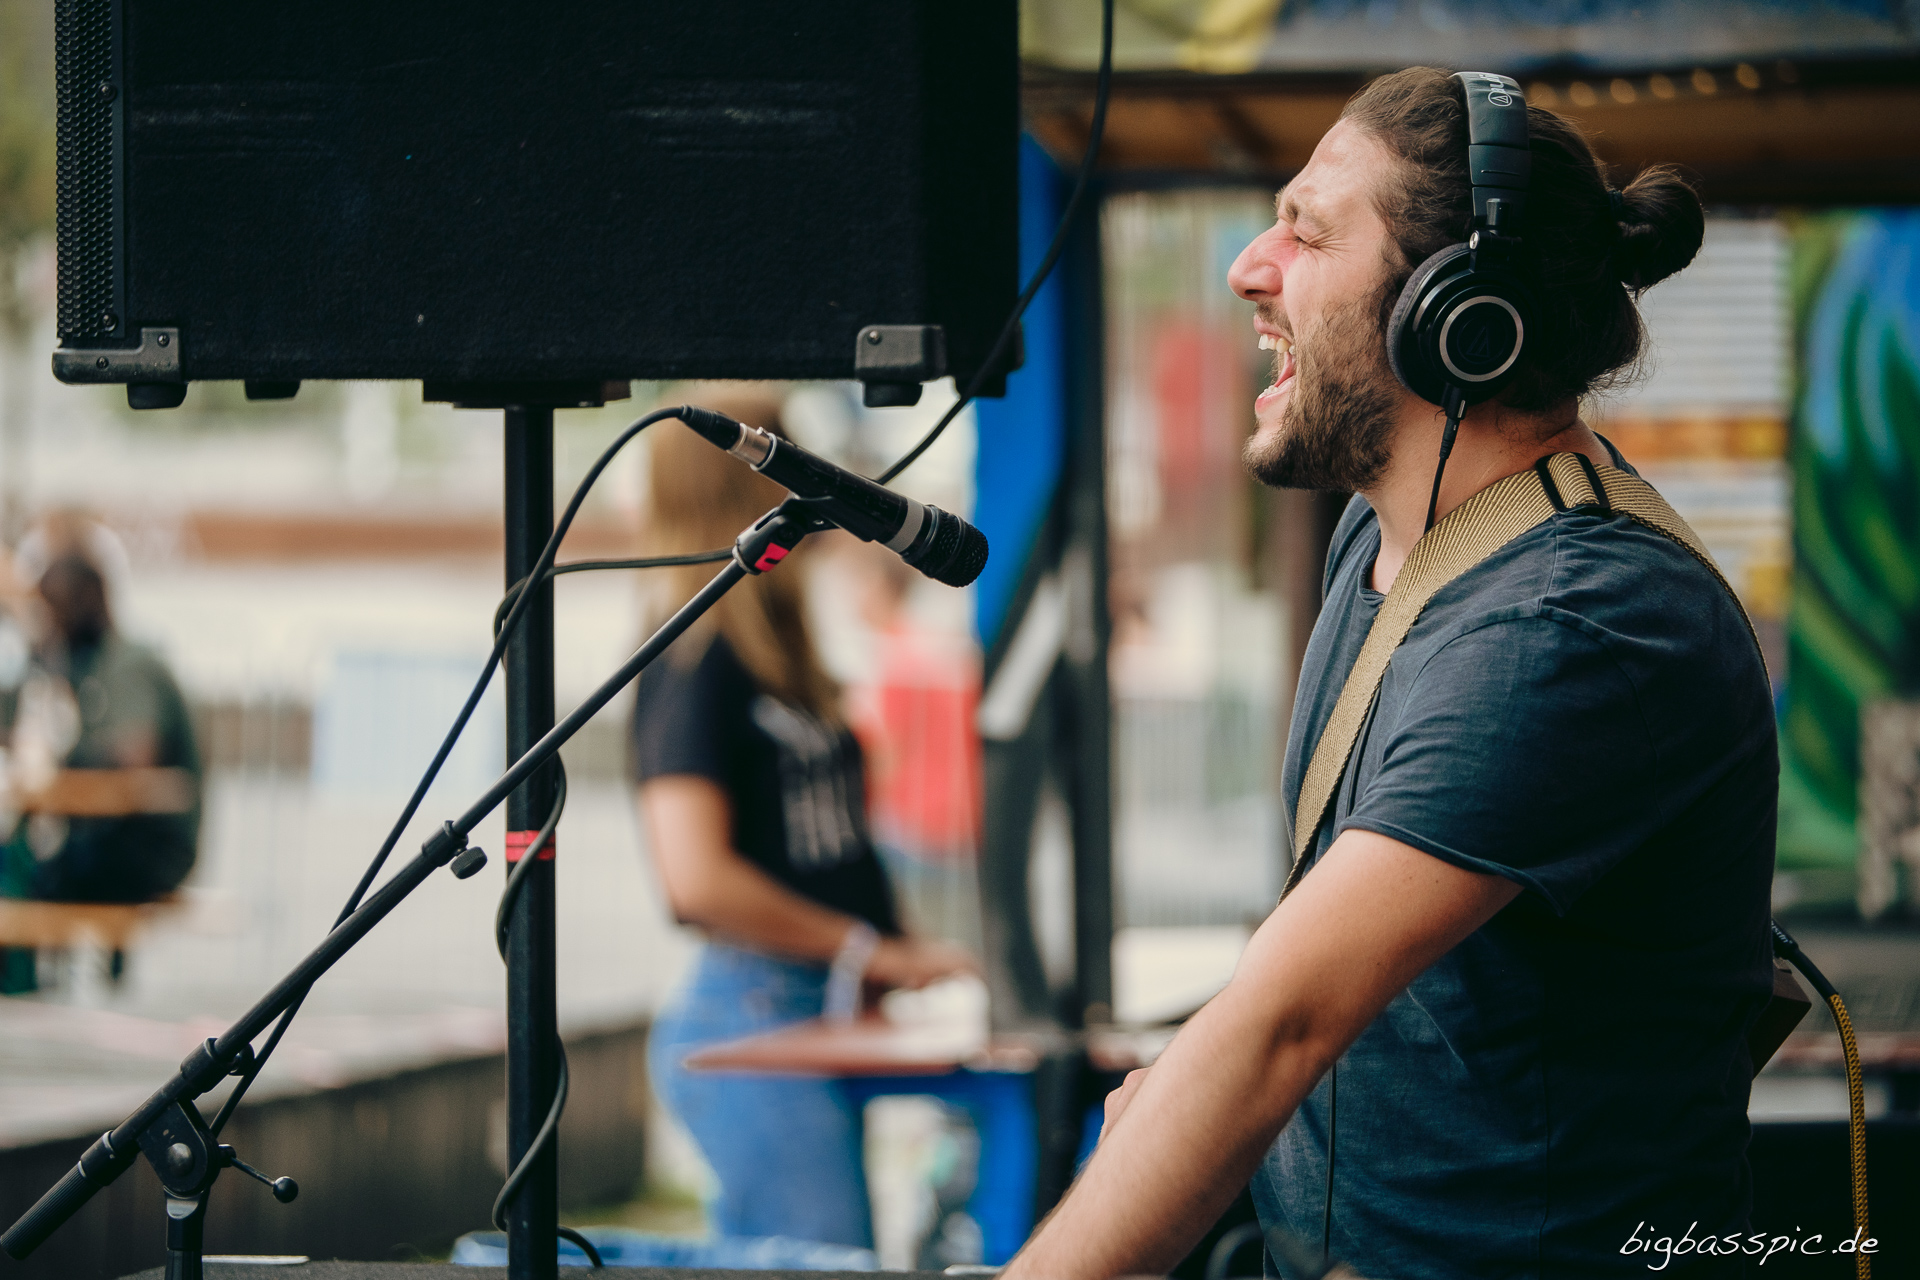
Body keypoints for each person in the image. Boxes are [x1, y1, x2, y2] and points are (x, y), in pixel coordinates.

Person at [1006, 69, 1773, 1280]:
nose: (1249, 266)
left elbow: (1285, 1023)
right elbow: (1336, 992)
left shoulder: (1579, 623)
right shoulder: (1387, 540)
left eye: (1306, 229)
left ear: (1456, 310)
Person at [631, 388, 977, 1249]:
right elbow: (694, 880)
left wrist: (889, 950)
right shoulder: (695, 659)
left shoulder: (777, 654)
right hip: (753, 1009)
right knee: (828, 1259)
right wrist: (869, 947)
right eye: (781, 454)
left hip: (822, 1003)